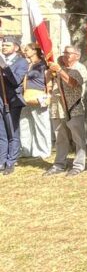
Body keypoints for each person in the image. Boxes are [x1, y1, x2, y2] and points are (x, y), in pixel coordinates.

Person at [46, 46, 87, 176]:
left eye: (69, 53)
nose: (65, 55)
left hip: (73, 107)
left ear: (77, 55)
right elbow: (49, 82)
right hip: (57, 107)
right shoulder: (59, 67)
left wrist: (60, 71)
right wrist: (50, 74)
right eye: (64, 53)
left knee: (78, 138)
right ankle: (59, 164)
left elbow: (74, 83)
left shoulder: (80, 68)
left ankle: (78, 165)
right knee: (60, 137)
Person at [0, 36, 28, 175]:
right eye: (3, 45)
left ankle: (11, 161)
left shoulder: (21, 62)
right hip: (0, 100)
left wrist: (4, 67)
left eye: (7, 45)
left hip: (11, 101)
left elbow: (16, 80)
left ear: (16, 47)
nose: (4, 47)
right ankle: (1, 161)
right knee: (1, 133)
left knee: (12, 133)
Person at [19, 44, 51, 159]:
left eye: (27, 50)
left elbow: (48, 81)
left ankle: (43, 151)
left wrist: (48, 94)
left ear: (34, 50)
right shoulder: (27, 64)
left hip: (39, 95)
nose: (24, 52)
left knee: (41, 124)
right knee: (25, 123)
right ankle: (26, 150)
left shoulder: (43, 65)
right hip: (25, 95)